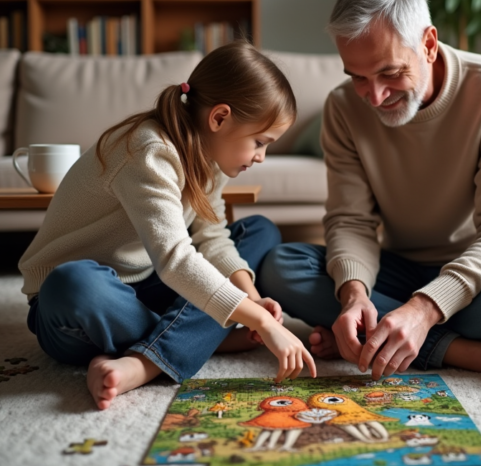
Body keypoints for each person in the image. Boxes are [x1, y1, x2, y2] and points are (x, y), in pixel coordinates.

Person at [260, 0, 481, 385]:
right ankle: (472, 353)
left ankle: (408, 336)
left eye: (390, 73)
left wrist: (423, 310)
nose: (374, 96)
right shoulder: (342, 108)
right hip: (404, 268)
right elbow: (351, 220)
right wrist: (354, 295)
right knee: (281, 266)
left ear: (428, 45)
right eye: (357, 76)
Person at [19, 41, 317, 410]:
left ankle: (152, 352)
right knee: (72, 283)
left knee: (259, 232)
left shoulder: (210, 155)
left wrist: (251, 301)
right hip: (85, 307)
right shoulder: (147, 150)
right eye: (260, 141)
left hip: (149, 281)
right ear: (219, 118)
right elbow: (175, 259)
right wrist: (263, 322)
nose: (261, 156)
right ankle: (188, 342)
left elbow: (212, 237)